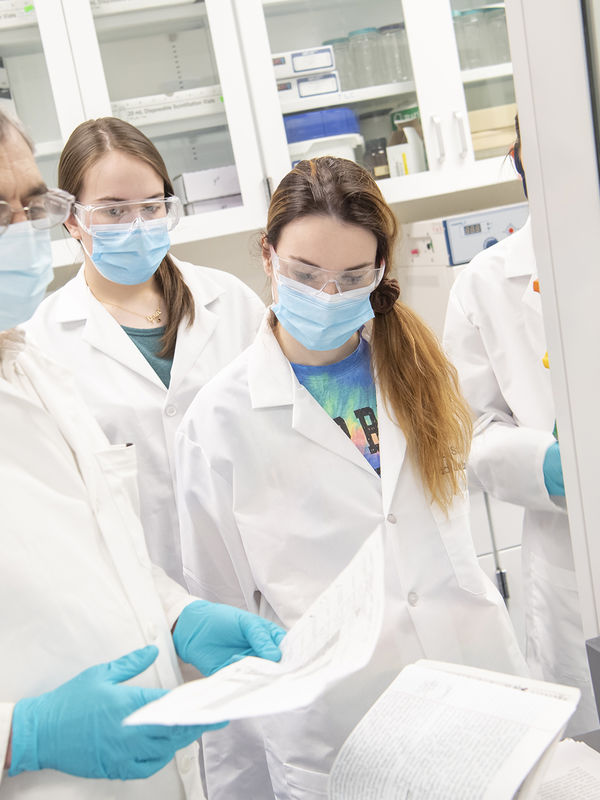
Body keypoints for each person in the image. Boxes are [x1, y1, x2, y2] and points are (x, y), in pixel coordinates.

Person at [175, 156, 528, 800]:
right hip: (338, 732)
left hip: (474, 692)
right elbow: (219, 624)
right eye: (306, 273)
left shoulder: (418, 375)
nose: (329, 295)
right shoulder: (218, 422)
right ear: (268, 255)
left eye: (352, 276)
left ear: (380, 272)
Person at [0, 109, 286, 799]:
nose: (21, 234)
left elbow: (103, 543)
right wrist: (20, 733)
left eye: (28, 205)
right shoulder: (48, 341)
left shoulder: (28, 369)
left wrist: (177, 615)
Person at [26, 117, 265, 585]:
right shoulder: (43, 342)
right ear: (72, 219)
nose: (137, 225)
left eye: (151, 207)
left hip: (256, 578)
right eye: (113, 211)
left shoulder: (232, 302)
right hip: (141, 595)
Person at [442, 116, 597, 735]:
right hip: (574, 564)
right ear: (518, 157)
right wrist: (548, 466)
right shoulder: (485, 284)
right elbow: (468, 436)